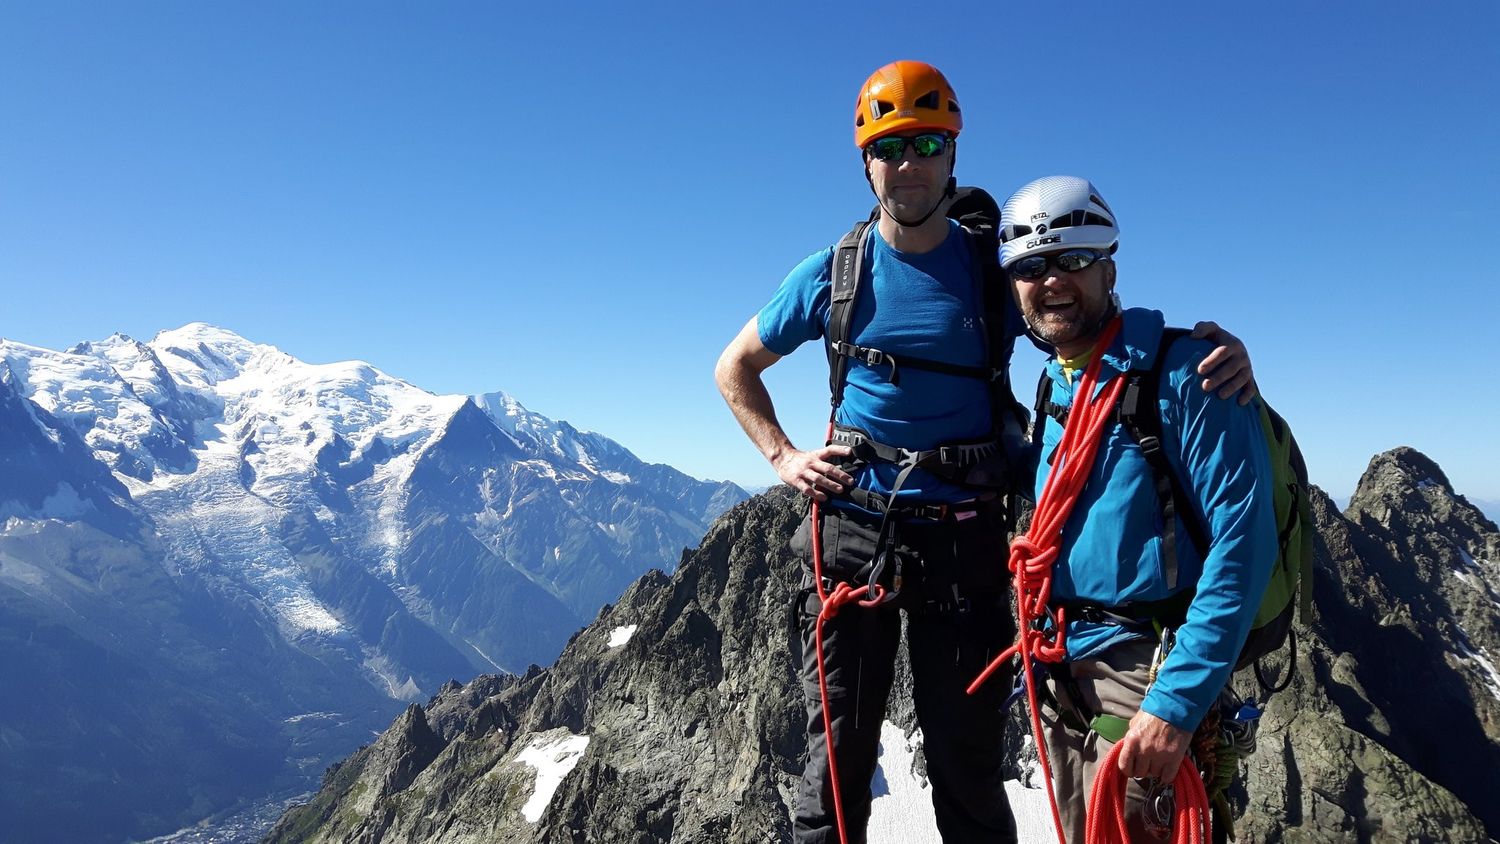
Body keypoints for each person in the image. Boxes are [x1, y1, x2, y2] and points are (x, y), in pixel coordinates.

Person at [713, 62, 1253, 844]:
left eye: (926, 143)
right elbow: (734, 367)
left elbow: (1082, 318)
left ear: (952, 155)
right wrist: (783, 458)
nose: (908, 165)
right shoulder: (835, 275)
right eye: (890, 147)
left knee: (966, 767)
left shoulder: (993, 270)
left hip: (964, 538)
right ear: (865, 162)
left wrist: (1210, 357)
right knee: (835, 764)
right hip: (854, 535)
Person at [1000, 175, 1276, 842]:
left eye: (1073, 260)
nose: (1052, 281)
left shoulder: (1188, 375)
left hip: (1145, 675)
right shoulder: (1055, 385)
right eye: (1031, 268)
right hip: (1064, 668)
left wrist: (1176, 708)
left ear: (1109, 268)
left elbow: (1245, 545)